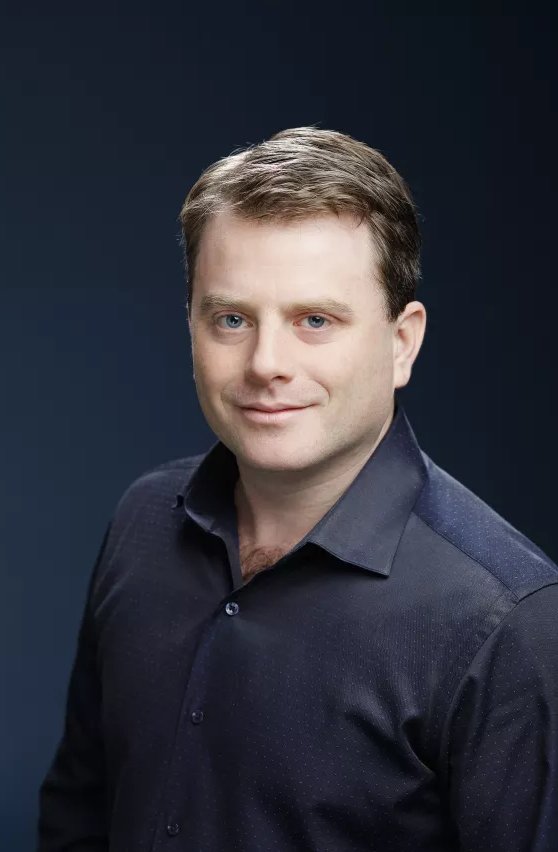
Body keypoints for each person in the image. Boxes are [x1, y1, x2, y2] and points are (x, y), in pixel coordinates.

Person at [37, 126, 558, 852]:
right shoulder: (143, 520)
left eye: (315, 320)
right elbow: (78, 812)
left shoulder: (509, 622)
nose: (266, 363)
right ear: (191, 327)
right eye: (231, 319)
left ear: (402, 342)